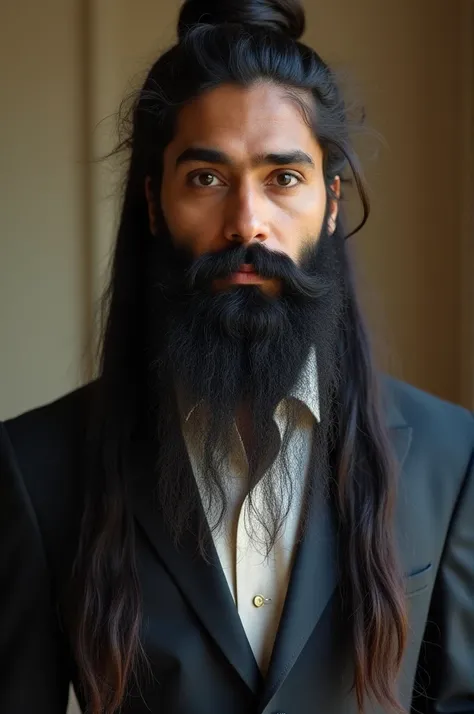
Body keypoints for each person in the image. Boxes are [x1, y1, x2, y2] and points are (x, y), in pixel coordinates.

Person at [1, 0, 473, 712]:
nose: (247, 221)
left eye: (283, 178)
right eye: (207, 179)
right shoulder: (37, 466)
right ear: (155, 203)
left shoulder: (451, 454)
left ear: (331, 203)